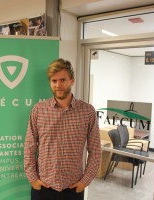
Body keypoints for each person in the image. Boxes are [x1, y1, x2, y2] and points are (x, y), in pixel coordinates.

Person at [24, 58, 101, 200]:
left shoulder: (87, 112)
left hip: (73, 189)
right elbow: (29, 147)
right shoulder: (38, 110)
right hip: (43, 188)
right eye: (54, 81)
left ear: (72, 80)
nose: (58, 85)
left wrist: (85, 181)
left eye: (63, 80)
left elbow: (95, 150)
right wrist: (33, 179)